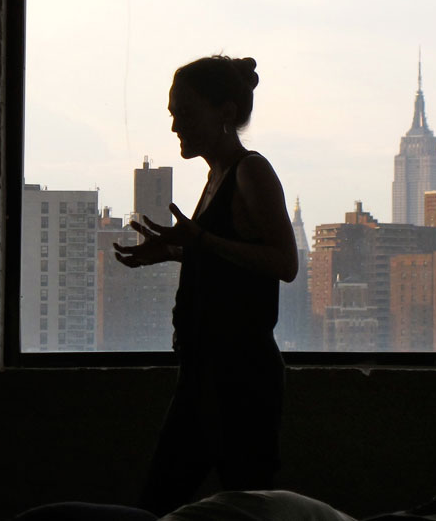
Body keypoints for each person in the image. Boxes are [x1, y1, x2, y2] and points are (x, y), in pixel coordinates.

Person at [114, 55, 298, 517]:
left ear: (226, 113)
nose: (176, 125)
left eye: (185, 112)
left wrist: (197, 240)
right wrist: (179, 251)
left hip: (240, 380)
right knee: (174, 499)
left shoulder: (250, 172)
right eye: (173, 113)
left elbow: (284, 263)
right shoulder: (216, 177)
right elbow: (227, 257)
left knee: (239, 504)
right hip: (206, 374)